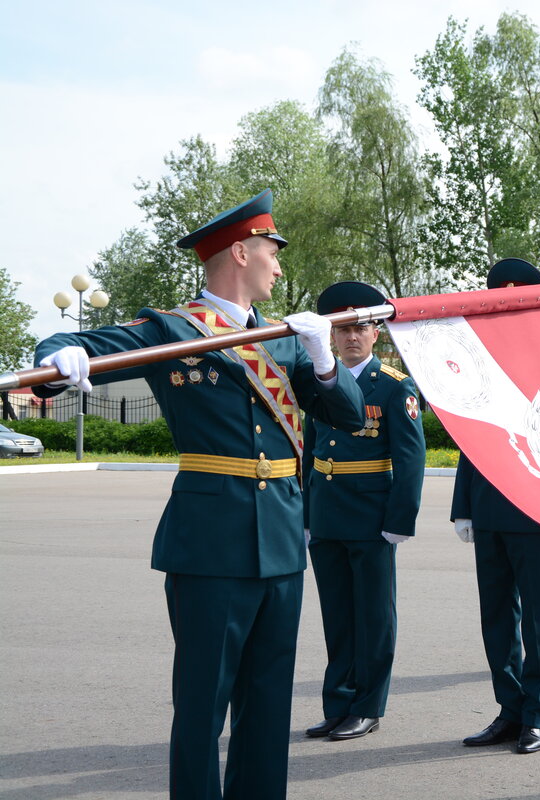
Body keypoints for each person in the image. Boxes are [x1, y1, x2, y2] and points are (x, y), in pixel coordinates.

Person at [32, 189, 365, 800]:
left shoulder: (287, 340)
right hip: (211, 547)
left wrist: (323, 361)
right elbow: (65, 347)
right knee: (202, 710)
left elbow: (345, 414)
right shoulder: (172, 329)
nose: (280, 266)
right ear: (241, 252)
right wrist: (64, 355)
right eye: (273, 252)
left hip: (284, 545)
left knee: (266, 709)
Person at [450, 257, 540, 755]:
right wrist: (463, 504)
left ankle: (537, 714)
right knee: (496, 616)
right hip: (490, 505)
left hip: (539, 509)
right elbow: (467, 432)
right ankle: (509, 708)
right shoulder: (481, 365)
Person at [302, 281, 426, 741]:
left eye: (361, 328)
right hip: (328, 515)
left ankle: (368, 706)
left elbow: (411, 458)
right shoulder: (318, 381)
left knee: (373, 617)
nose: (351, 337)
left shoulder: (395, 387)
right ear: (331, 336)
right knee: (337, 615)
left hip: (373, 518)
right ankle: (338, 703)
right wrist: (307, 517)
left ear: (376, 333)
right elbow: (308, 451)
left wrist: (399, 521)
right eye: (343, 329)